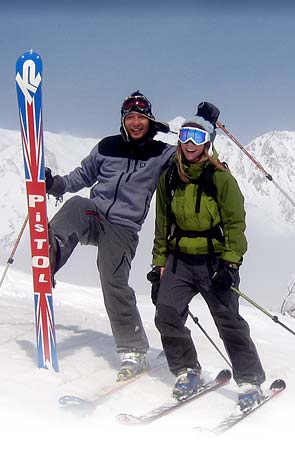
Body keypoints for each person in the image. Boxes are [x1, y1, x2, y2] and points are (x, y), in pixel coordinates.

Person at [45, 90, 176, 381]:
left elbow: (192, 158)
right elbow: (80, 177)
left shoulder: (161, 153)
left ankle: (134, 351)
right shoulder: (107, 146)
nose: (136, 122)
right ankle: (51, 252)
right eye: (130, 116)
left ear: (150, 120)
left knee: (112, 282)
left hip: (124, 229)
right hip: (96, 216)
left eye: (142, 116)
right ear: (123, 120)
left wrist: (205, 132)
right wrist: (53, 183)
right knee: (77, 204)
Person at [151, 105, 266, 411]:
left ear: (207, 142)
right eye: (186, 135)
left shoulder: (221, 179)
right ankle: (187, 369)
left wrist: (231, 262)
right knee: (166, 312)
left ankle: (250, 379)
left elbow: (235, 223)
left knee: (228, 320)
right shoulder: (170, 177)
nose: (190, 143)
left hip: (215, 261)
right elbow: (162, 223)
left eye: (197, 136)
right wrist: (158, 264)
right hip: (179, 259)